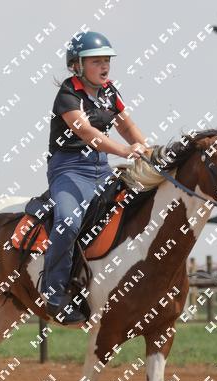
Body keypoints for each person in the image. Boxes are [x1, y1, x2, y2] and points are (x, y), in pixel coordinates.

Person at [41, 31, 147, 324]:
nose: (104, 66)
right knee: (68, 222)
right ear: (77, 65)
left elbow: (127, 126)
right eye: (96, 61)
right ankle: (54, 294)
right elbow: (86, 132)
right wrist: (125, 151)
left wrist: (146, 148)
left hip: (102, 168)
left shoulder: (111, 91)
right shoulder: (68, 94)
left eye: (106, 61)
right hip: (69, 170)